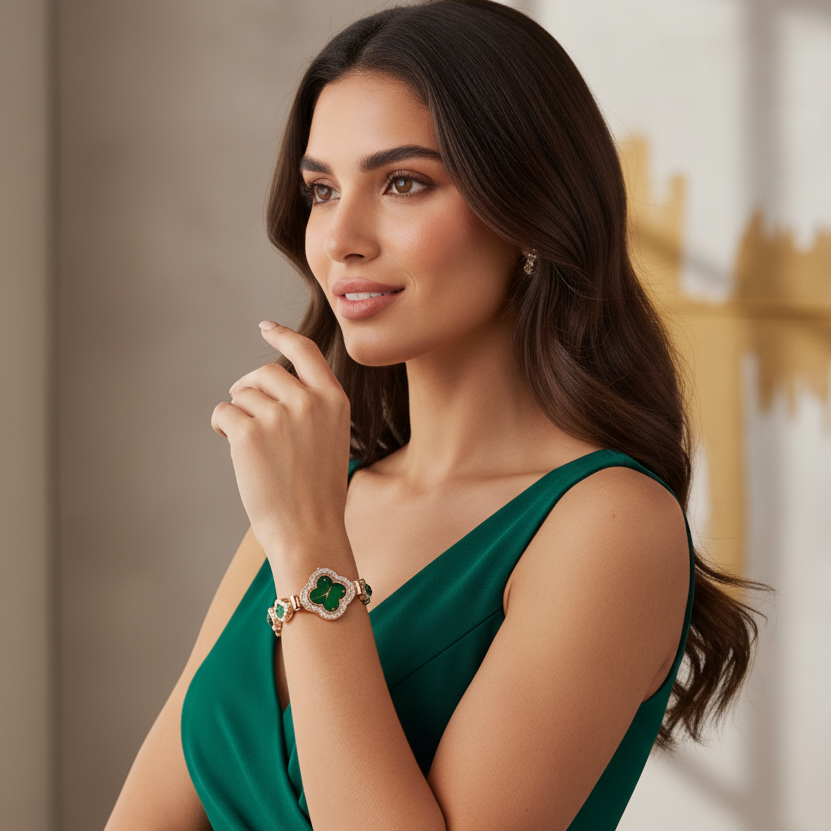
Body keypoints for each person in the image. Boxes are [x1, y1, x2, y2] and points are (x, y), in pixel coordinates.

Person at [105, 1, 768, 829]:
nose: (339, 235)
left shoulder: (609, 523)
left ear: (527, 208)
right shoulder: (321, 497)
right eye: (319, 189)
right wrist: (305, 526)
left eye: (403, 182)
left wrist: (311, 549)